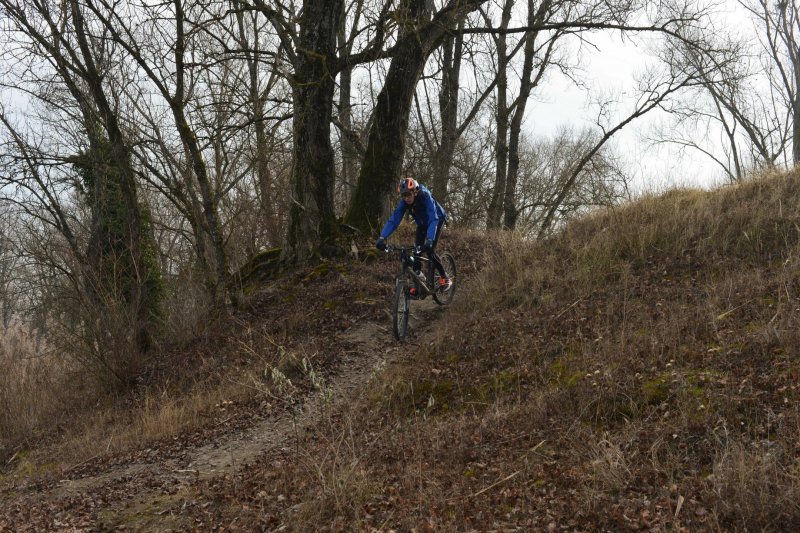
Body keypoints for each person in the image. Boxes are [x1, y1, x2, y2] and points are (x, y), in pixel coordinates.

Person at [376, 176, 451, 290]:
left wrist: (430, 239)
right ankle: (419, 278)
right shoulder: (404, 203)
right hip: (422, 224)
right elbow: (394, 220)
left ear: (415, 192)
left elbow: (433, 218)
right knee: (417, 250)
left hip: (437, 220)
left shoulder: (425, 196)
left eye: (408, 195)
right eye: (403, 195)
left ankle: (444, 277)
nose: (406, 198)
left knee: (430, 251)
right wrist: (382, 237)